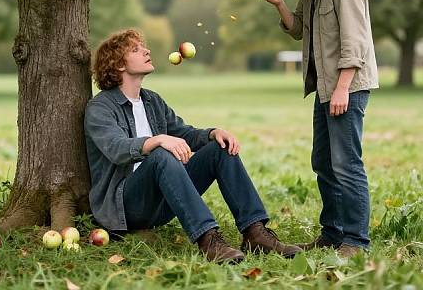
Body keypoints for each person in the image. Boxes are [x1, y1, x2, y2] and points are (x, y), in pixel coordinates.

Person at [84, 29, 302, 263]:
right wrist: (158, 140)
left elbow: (184, 133)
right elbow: (116, 148)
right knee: (160, 154)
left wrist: (212, 133)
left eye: (143, 46)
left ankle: (255, 233)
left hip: (164, 200)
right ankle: (208, 240)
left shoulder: (151, 100)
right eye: (136, 49)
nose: (147, 51)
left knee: (219, 148)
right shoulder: (100, 108)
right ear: (118, 65)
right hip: (127, 207)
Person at [256, 0, 378, 258]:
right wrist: (279, 3)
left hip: (346, 88)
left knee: (346, 164)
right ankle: (333, 233)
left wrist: (342, 89)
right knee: (323, 162)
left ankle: (355, 241)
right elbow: (298, 30)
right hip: (327, 87)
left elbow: (356, 41)